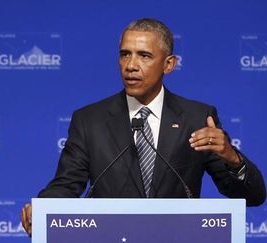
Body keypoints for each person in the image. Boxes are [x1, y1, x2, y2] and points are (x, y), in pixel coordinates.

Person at [21, 18, 266, 236]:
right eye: (125, 54)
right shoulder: (89, 120)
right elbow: (66, 185)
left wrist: (232, 158)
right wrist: (42, 209)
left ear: (169, 64)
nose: (130, 65)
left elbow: (253, 196)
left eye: (144, 56)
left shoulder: (197, 118)